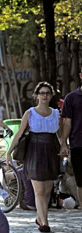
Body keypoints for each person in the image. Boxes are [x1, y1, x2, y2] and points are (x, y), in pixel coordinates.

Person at [7, 82, 60, 232]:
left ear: (51, 96)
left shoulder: (56, 113)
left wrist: (64, 146)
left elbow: (60, 134)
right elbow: (19, 133)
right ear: (36, 95)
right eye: (41, 93)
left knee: (48, 190)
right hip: (34, 151)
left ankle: (39, 216)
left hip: (51, 150)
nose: (44, 96)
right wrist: (9, 152)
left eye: (47, 93)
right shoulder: (30, 113)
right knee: (39, 191)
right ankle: (44, 223)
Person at [60, 67, 82, 209]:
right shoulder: (71, 98)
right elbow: (67, 123)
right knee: (81, 181)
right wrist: (63, 143)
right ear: (81, 76)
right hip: (78, 144)